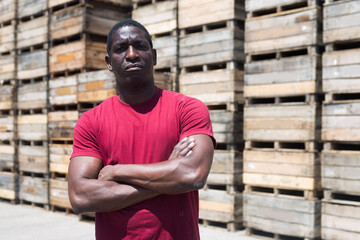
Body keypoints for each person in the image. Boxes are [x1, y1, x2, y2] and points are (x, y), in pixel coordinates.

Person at [68, 19, 215, 240]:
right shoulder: (91, 122)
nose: (131, 54)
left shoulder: (187, 109)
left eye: (140, 46)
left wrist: (117, 172)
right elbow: (80, 197)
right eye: (120, 49)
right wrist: (168, 174)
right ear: (109, 62)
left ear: (153, 56)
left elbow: (192, 175)